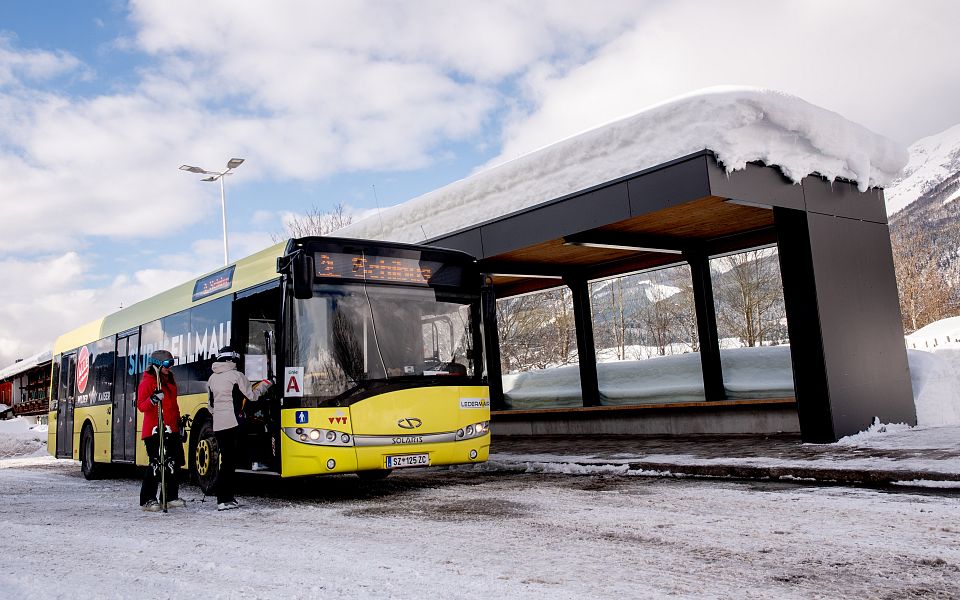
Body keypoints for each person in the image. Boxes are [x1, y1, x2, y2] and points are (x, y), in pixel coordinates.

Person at [207, 345, 272, 511]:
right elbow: (252, 395)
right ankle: (223, 499)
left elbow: (211, 406)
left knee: (226, 460)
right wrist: (266, 384)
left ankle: (227, 497)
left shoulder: (212, 378)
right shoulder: (237, 376)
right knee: (230, 462)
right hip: (233, 422)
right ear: (232, 359)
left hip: (218, 424)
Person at [136, 349, 185, 511]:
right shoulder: (148, 382)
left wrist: (179, 424)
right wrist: (153, 399)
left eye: (172, 364)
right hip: (154, 429)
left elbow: (174, 406)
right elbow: (141, 406)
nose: (170, 367)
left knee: (173, 463)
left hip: (171, 428)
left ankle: (169, 497)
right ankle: (147, 499)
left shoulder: (170, 381)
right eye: (167, 364)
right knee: (157, 464)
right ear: (157, 364)